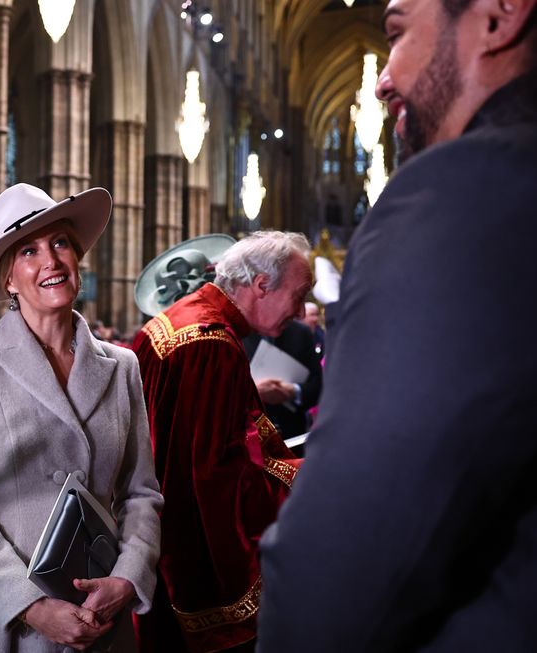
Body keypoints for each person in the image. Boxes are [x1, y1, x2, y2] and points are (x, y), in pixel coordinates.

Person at [256, 1, 537, 651]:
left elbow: (335, 573)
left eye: (398, 33)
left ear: (499, 15)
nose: (383, 80)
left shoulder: (464, 192)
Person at [0, 183, 163, 652]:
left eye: (60, 244)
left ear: (78, 258)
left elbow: (141, 495)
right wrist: (31, 605)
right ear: (9, 280)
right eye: (28, 251)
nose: (50, 261)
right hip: (1, 623)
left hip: (99, 617)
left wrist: (127, 577)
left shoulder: (123, 366)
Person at [131, 231, 310, 653]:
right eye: (299, 295)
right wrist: (308, 481)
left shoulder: (181, 320)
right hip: (191, 558)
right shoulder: (210, 343)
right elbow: (215, 478)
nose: (302, 312)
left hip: (158, 537)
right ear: (261, 284)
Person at [242, 318, 323, 438]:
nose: (301, 313)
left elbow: (318, 387)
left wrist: (294, 391)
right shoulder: (231, 334)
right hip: (250, 439)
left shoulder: (301, 332)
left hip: (293, 436)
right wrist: (253, 393)